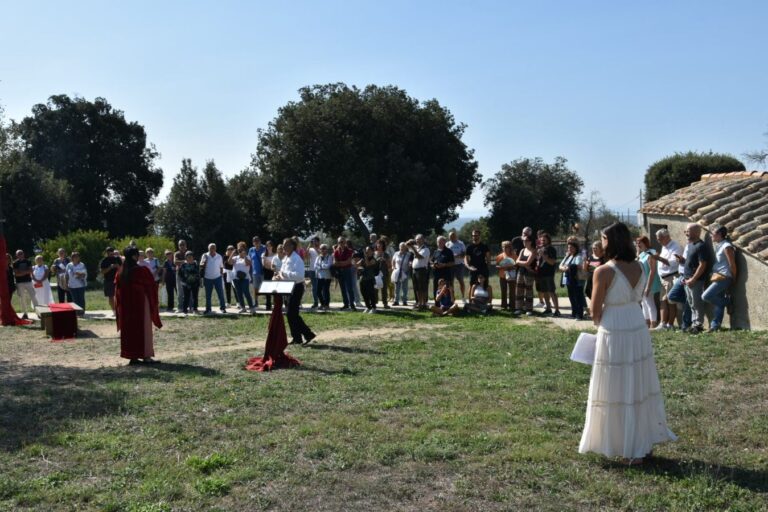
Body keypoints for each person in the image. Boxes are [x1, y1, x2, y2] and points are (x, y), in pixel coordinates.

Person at [579, 222, 676, 464]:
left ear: (610, 241)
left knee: (615, 384)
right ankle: (641, 440)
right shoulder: (640, 267)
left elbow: (595, 310)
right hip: (636, 324)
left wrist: (599, 323)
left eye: (603, 238)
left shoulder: (604, 271)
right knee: (638, 383)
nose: (601, 243)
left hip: (615, 326)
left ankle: (626, 446)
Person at [115, 247, 162, 365]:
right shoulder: (142, 271)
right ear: (134, 256)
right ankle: (146, 356)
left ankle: (133, 357)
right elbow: (151, 285)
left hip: (126, 307)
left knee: (129, 330)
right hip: (141, 304)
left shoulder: (120, 272)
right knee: (144, 329)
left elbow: (117, 291)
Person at [275, 238, 316, 345]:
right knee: (291, 314)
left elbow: (299, 276)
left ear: (292, 246)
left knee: (291, 313)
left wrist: (284, 274)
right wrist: (279, 276)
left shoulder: (297, 259)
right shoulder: (286, 258)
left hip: (296, 287)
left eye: (286, 245)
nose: (283, 247)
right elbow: (282, 272)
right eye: (283, 245)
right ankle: (297, 338)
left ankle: (307, 334)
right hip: (287, 288)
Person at [702, 226, 737, 332]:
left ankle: (727, 301)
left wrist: (734, 278)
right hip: (717, 276)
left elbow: (732, 264)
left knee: (705, 296)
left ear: (720, 234)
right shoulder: (719, 245)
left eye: (713, 233)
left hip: (724, 277)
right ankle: (715, 326)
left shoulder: (727, 246)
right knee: (718, 302)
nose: (711, 235)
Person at [681, 224, 712, 335]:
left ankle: (698, 325)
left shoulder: (701, 246)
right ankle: (694, 324)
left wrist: (693, 279)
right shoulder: (691, 245)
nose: (686, 233)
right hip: (687, 279)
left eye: (688, 231)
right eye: (686, 231)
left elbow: (702, 265)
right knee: (691, 303)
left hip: (695, 281)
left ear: (697, 232)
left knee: (697, 303)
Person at [651, 229, 683, 331]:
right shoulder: (664, 247)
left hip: (671, 277)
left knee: (670, 302)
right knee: (663, 301)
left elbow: (674, 263)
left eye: (659, 239)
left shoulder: (676, 247)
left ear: (666, 237)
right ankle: (663, 324)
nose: (658, 241)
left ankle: (670, 324)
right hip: (664, 278)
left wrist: (659, 258)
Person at [636, 236, 662, 328]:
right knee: (644, 303)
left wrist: (648, 286)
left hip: (649, 282)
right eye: (637, 243)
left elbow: (653, 270)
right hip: (642, 282)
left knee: (649, 302)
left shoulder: (651, 252)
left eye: (640, 242)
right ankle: (646, 323)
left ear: (645, 243)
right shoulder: (641, 254)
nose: (638, 244)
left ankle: (653, 324)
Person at [559, 241, 586, 320]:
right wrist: (565, 268)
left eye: (571, 247)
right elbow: (560, 265)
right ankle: (574, 312)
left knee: (578, 297)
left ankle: (579, 314)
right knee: (571, 296)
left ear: (576, 248)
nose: (569, 249)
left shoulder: (578, 256)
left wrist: (566, 267)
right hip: (568, 279)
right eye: (568, 247)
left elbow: (578, 265)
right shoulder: (568, 256)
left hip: (576, 280)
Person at [535, 233, 561, 316]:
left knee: (551, 292)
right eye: (541, 240)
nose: (542, 241)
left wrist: (543, 256)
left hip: (549, 274)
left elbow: (552, 262)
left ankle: (557, 310)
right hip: (541, 273)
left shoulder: (551, 249)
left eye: (544, 240)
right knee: (544, 292)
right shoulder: (541, 249)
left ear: (548, 240)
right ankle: (548, 309)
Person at [200, 243, 227, 315]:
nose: (212, 249)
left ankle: (223, 308)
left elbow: (221, 267)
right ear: (208, 249)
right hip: (207, 278)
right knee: (208, 295)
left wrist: (221, 276)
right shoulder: (205, 255)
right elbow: (201, 265)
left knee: (220, 294)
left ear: (215, 248)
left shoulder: (219, 256)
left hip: (217, 278)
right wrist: (205, 261)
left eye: (213, 248)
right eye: (210, 248)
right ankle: (208, 309)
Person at [229, 242, 255, 313]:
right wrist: (232, 253)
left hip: (245, 278)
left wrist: (245, 255)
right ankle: (243, 307)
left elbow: (248, 263)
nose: (239, 250)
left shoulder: (248, 257)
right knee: (239, 293)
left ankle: (251, 307)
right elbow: (230, 262)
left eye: (241, 248)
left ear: (244, 249)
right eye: (238, 248)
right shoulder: (235, 257)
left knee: (246, 292)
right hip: (236, 278)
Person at [514, 236, 537, 316]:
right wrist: (524, 264)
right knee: (519, 290)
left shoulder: (534, 251)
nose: (524, 242)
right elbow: (516, 261)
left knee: (528, 291)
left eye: (526, 240)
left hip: (529, 274)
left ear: (531, 241)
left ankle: (529, 309)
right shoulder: (522, 250)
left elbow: (528, 263)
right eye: (523, 241)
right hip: (520, 272)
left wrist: (522, 263)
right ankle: (518, 308)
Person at [12, 250, 38, 318]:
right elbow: (16, 274)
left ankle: (38, 312)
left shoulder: (28, 261)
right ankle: (25, 313)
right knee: (22, 298)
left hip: (28, 281)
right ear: (16, 255)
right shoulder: (15, 263)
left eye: (21, 253)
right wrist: (26, 272)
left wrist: (21, 272)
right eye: (18, 254)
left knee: (33, 296)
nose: (20, 255)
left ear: (23, 254)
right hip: (19, 283)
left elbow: (31, 271)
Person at [333, 237, 357, 311]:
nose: (341, 243)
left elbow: (349, 262)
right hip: (340, 271)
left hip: (347, 270)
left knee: (349, 288)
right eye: (340, 242)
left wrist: (340, 263)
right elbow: (334, 263)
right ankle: (346, 304)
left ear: (345, 242)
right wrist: (342, 263)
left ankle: (352, 304)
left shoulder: (349, 250)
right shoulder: (336, 251)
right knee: (343, 288)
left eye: (342, 242)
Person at [583, 241, 605, 317]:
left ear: (600, 248)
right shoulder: (590, 257)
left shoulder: (603, 258)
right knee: (588, 293)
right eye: (593, 248)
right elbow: (585, 269)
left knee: (597, 295)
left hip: (599, 280)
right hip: (590, 279)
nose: (594, 249)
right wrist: (585, 263)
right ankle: (593, 309)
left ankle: (595, 310)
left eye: (596, 248)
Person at [408, 234, 430, 310]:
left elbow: (419, 256)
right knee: (416, 288)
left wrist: (413, 248)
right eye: (416, 239)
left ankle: (424, 303)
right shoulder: (417, 248)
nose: (417, 240)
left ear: (423, 240)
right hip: (415, 270)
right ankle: (419, 303)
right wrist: (410, 241)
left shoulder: (425, 249)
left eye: (419, 239)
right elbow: (406, 245)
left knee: (422, 288)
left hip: (422, 270)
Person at [495, 241, 517, 311]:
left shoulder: (514, 255)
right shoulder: (499, 256)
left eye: (507, 247)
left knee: (512, 291)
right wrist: (503, 267)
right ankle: (503, 306)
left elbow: (517, 265)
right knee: (503, 291)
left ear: (510, 247)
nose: (505, 248)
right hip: (502, 276)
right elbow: (497, 266)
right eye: (503, 247)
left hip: (512, 276)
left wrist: (511, 267)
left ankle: (512, 306)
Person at [446, 231, 467, 303]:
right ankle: (452, 298)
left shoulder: (461, 243)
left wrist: (456, 255)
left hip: (459, 265)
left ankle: (463, 297)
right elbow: (446, 254)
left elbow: (464, 254)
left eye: (452, 236)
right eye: (450, 236)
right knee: (450, 282)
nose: (451, 237)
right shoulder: (447, 244)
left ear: (455, 236)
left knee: (461, 281)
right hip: (450, 265)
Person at [100, 246, 122, 315]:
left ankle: (120, 309)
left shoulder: (118, 259)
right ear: (106, 253)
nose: (110, 253)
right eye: (109, 252)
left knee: (120, 296)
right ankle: (114, 311)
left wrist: (117, 266)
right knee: (111, 296)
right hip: (108, 280)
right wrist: (110, 267)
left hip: (118, 280)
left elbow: (122, 269)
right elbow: (102, 272)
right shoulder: (104, 260)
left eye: (111, 251)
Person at [357, 245, 380, 313]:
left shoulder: (374, 259)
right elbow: (356, 265)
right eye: (366, 250)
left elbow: (367, 264)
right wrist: (358, 265)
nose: (367, 252)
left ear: (372, 252)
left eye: (369, 250)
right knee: (364, 293)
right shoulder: (363, 259)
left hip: (370, 279)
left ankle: (373, 308)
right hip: (362, 279)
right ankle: (368, 307)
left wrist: (365, 256)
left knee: (371, 294)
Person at [391, 242, 412, 306]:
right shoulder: (396, 253)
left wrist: (410, 265)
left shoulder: (408, 254)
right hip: (397, 272)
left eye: (403, 246)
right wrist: (393, 267)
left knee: (404, 287)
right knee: (397, 287)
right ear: (399, 247)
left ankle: (404, 301)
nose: (402, 248)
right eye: (401, 246)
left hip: (405, 272)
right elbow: (393, 261)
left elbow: (410, 262)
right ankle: (396, 301)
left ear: (406, 247)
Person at [248, 236, 266, 308]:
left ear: (260, 241)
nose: (256, 242)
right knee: (255, 288)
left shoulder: (264, 248)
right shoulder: (251, 250)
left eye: (257, 241)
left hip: (264, 271)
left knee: (266, 287)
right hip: (255, 272)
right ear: (253, 242)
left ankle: (267, 302)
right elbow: (249, 260)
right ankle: (256, 302)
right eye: (254, 241)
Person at [314, 243, 333, 310]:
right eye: (321, 249)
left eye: (324, 248)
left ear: (326, 249)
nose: (322, 250)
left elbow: (328, 266)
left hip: (327, 277)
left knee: (326, 291)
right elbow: (315, 266)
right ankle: (322, 304)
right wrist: (322, 266)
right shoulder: (318, 257)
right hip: (319, 276)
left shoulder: (329, 257)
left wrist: (320, 267)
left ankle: (327, 305)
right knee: (318, 291)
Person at [374, 239, 392, 308]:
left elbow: (389, 265)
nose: (379, 245)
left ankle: (385, 303)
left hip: (384, 274)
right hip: (375, 274)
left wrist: (384, 260)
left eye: (381, 244)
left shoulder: (386, 254)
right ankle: (374, 303)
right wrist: (377, 260)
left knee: (384, 289)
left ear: (383, 246)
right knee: (375, 288)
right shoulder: (374, 253)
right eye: (378, 244)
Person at [173, 240, 189, 313]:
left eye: (183, 244)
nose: (182, 246)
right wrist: (185, 261)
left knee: (189, 291)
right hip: (179, 274)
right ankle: (180, 307)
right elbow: (175, 262)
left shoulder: (189, 253)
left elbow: (191, 261)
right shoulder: (176, 253)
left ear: (186, 245)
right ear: (179, 246)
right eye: (180, 245)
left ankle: (190, 307)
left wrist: (181, 262)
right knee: (180, 292)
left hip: (188, 274)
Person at [307, 237, 321, 309]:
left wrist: (316, 247)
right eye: (313, 241)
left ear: (318, 242)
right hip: (312, 270)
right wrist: (309, 245)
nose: (314, 243)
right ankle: (315, 302)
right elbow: (306, 256)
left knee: (320, 287)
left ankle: (323, 302)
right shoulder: (310, 249)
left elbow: (321, 254)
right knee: (314, 287)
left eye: (316, 241)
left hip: (320, 270)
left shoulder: (321, 248)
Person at [261, 241, 276, 310]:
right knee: (267, 289)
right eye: (267, 246)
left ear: (272, 246)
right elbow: (264, 265)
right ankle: (268, 304)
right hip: (266, 273)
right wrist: (271, 265)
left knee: (274, 289)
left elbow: (275, 266)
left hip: (274, 273)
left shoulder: (275, 255)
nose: (268, 247)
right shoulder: (263, 254)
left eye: (270, 246)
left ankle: (275, 304)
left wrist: (268, 261)